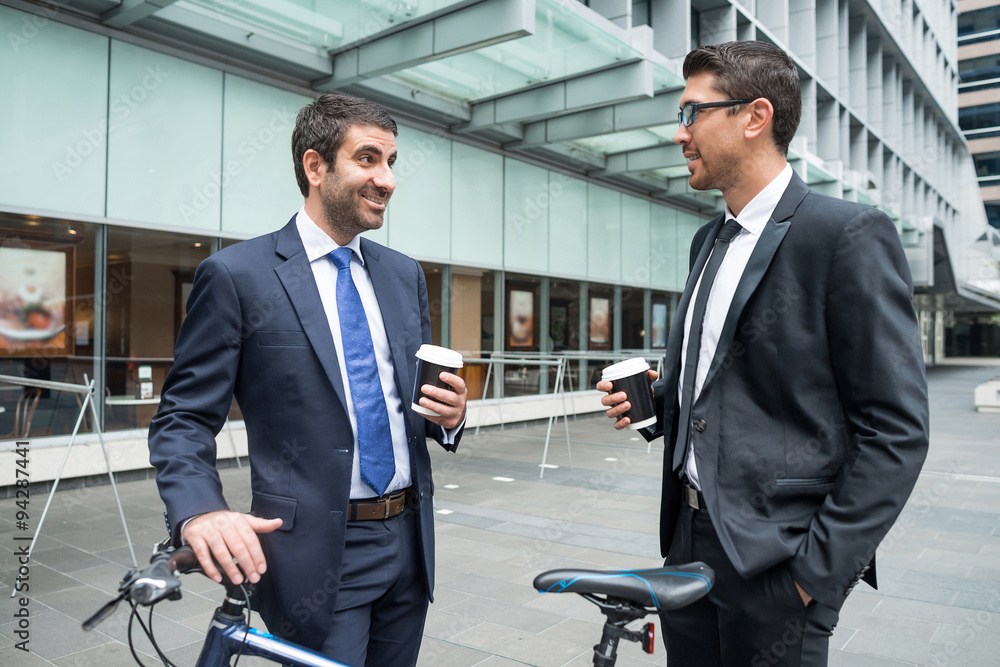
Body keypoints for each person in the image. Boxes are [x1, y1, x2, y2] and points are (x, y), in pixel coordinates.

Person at [597, 41, 928, 666]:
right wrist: (660, 401)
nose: (679, 133)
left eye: (693, 113)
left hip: (779, 563)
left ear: (754, 116)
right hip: (687, 548)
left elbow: (896, 429)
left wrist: (813, 578)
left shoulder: (845, 235)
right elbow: (738, 388)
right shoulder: (707, 240)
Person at [148, 93, 467, 666]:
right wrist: (201, 511)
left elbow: (405, 402)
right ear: (315, 166)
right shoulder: (236, 276)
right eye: (368, 159)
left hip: (409, 545)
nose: (387, 179)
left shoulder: (403, 275)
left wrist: (449, 416)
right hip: (314, 555)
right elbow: (183, 419)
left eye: (392, 162)